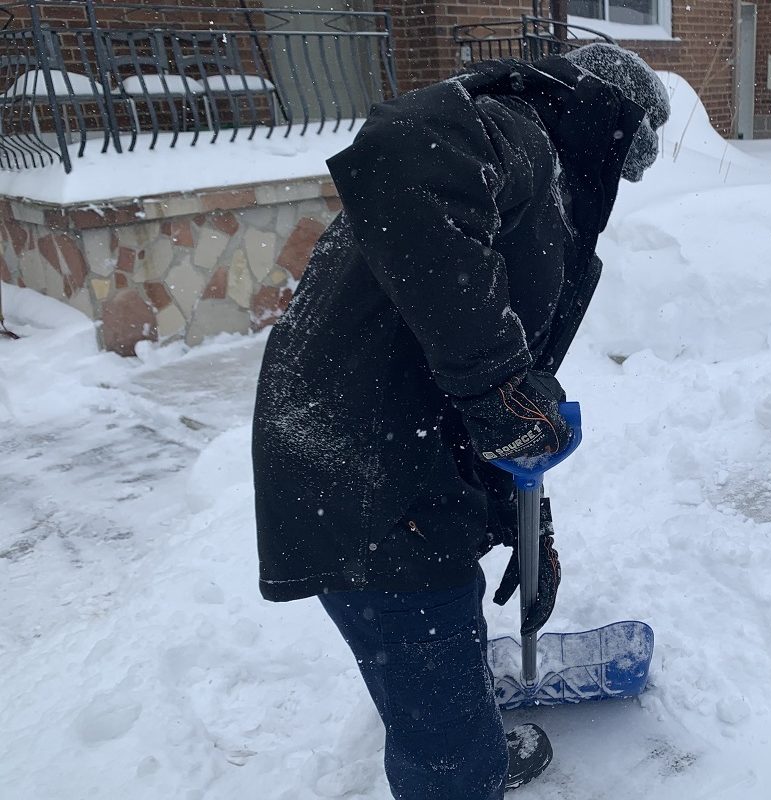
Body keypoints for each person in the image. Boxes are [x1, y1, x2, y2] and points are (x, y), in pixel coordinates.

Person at [251, 43, 670, 799]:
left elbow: (494, 380)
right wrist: (499, 389)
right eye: (626, 161)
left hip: (387, 450)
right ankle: (460, 771)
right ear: (607, 128)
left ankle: (465, 745)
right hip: (358, 469)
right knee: (435, 700)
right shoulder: (521, 137)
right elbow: (402, 155)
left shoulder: (534, 201)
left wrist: (526, 520)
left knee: (441, 643)